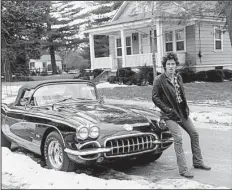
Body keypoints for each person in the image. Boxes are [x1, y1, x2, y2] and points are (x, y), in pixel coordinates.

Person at [152, 52, 211, 178]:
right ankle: (183, 170)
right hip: (169, 114)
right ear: (164, 66)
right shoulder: (159, 80)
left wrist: (186, 107)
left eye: (173, 64)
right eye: (168, 64)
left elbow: (181, 95)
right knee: (178, 138)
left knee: (194, 133)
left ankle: (198, 162)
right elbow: (155, 97)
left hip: (181, 112)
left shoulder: (178, 77)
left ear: (176, 65)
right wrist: (167, 110)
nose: (171, 66)